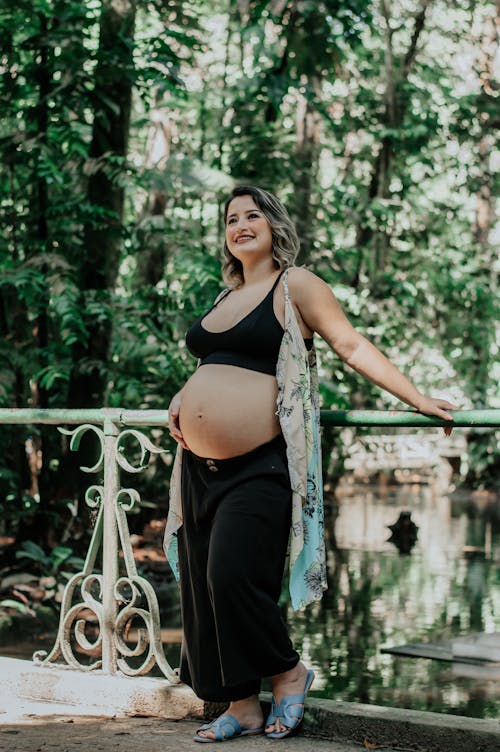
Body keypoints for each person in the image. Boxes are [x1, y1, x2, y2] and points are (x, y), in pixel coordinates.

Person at [163, 185, 458, 742]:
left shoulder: (293, 284)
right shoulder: (223, 298)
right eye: (231, 218)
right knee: (204, 587)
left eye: (253, 215)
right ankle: (243, 705)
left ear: (274, 225)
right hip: (198, 468)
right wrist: (186, 395)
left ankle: (290, 671)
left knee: (232, 577)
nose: (241, 224)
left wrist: (416, 398)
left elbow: (351, 345)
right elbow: (218, 363)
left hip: (262, 464)